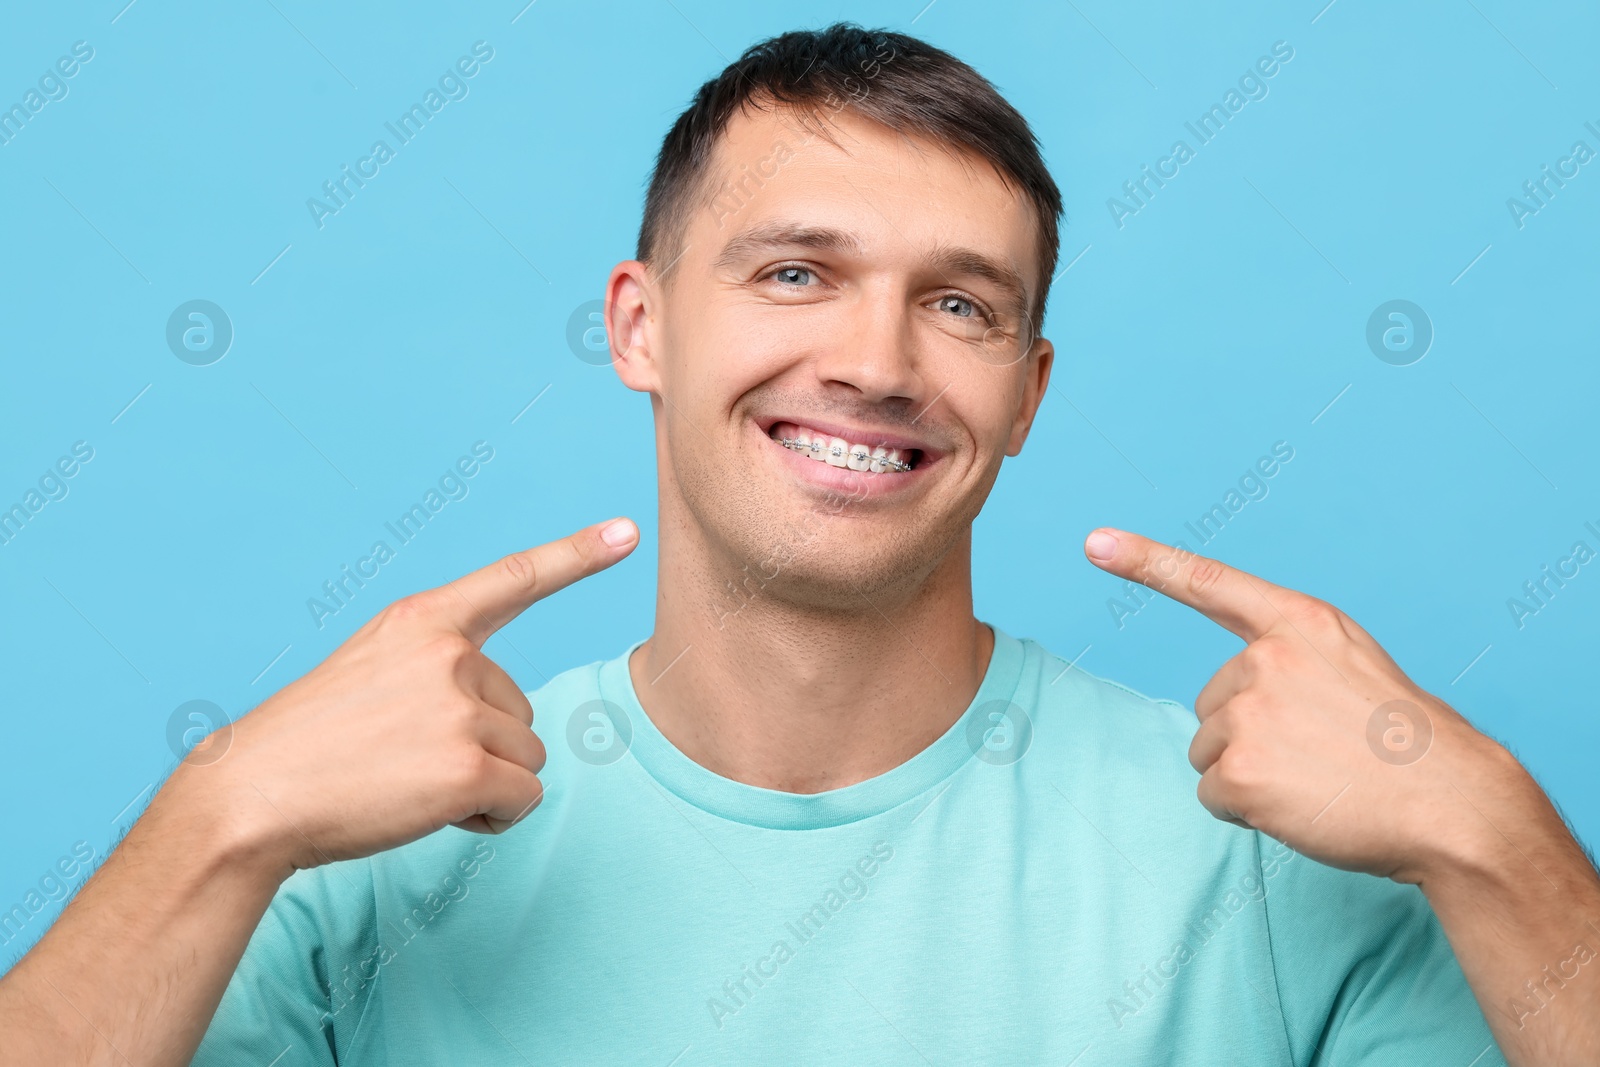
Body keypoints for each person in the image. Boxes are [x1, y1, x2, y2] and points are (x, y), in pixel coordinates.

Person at [2, 22, 1597, 1066]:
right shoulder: (346, 851)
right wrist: (219, 816)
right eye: (793, 275)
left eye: (960, 303)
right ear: (641, 326)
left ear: (1028, 393)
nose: (879, 361)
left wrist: (1500, 835)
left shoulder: (1297, 861)